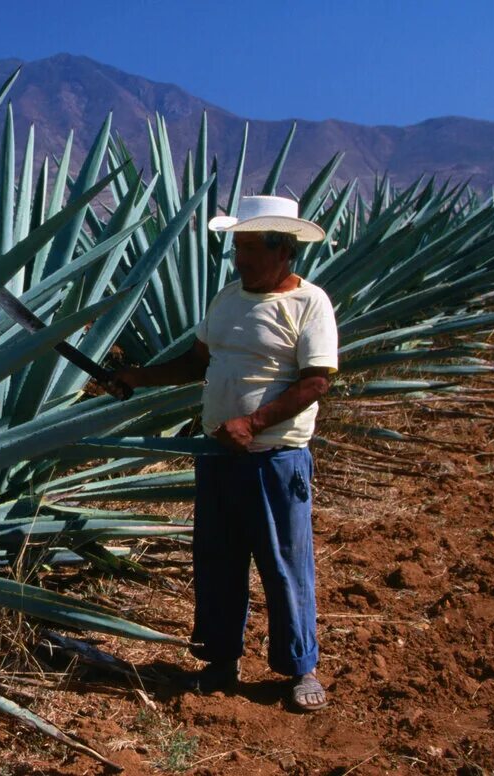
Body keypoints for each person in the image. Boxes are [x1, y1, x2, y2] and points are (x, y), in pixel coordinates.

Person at [113, 195, 338, 712]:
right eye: (237, 246)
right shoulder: (226, 299)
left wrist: (254, 422)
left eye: (249, 247)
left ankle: (299, 669)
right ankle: (219, 661)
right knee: (217, 562)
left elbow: (317, 381)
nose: (238, 257)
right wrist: (139, 377)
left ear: (282, 248)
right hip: (217, 455)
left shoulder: (310, 304)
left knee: (284, 565)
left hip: (274, 457)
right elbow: (196, 363)